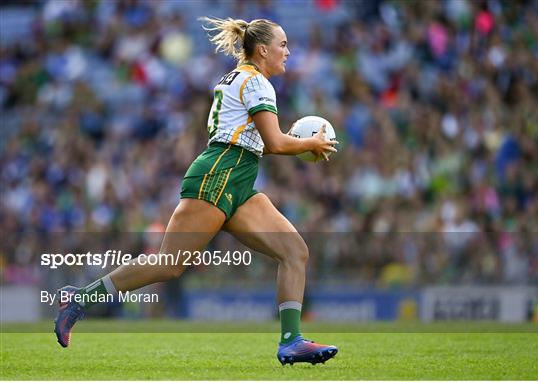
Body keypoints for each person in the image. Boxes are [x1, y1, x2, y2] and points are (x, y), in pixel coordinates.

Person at [55, 17, 338, 366]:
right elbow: (276, 144)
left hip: (236, 177)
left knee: (295, 251)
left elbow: (252, 142)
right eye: (282, 45)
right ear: (263, 49)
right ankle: (81, 299)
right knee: (169, 265)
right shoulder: (258, 83)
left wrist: (300, 144)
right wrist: (312, 142)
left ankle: (291, 341)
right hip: (219, 174)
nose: (288, 52)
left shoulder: (238, 78)